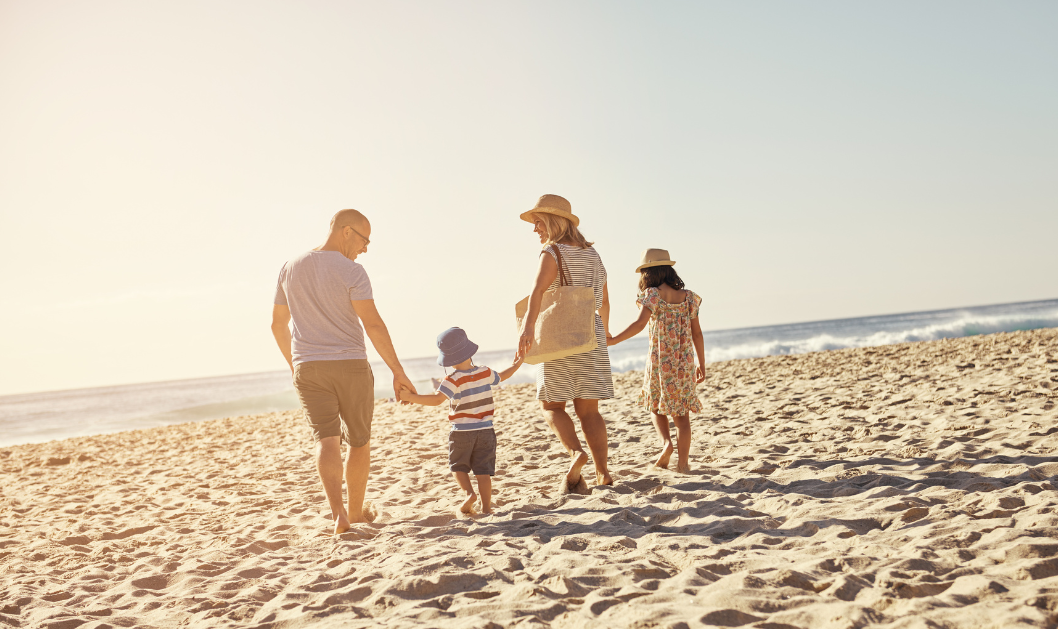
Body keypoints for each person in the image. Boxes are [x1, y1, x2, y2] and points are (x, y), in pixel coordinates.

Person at [271, 209, 417, 535]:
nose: (366, 248)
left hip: (309, 367)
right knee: (359, 443)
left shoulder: (289, 268)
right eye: (365, 240)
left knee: (327, 441)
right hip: (351, 364)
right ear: (347, 231)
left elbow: (277, 325)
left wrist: (295, 364)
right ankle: (356, 513)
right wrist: (398, 371)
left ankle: (339, 516)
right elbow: (374, 324)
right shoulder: (353, 271)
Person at [516, 194, 615, 489]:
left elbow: (537, 292)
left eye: (538, 223)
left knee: (551, 406)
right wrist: (604, 333)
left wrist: (527, 328)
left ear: (553, 221)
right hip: (591, 333)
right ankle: (603, 473)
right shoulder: (593, 255)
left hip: (560, 336)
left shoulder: (552, 252)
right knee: (590, 410)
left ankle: (575, 453)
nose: (535, 230)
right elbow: (605, 301)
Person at [397, 328, 524, 515]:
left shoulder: (452, 379)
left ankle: (469, 494)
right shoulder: (485, 372)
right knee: (483, 472)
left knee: (457, 467)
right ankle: (487, 508)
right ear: (469, 352)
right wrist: (518, 363)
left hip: (461, 432)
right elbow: (504, 376)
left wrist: (411, 397)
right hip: (486, 431)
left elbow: (436, 400)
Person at [608, 248, 706, 473]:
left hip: (660, 362)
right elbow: (697, 334)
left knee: (655, 406)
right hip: (684, 362)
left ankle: (666, 444)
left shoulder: (652, 294)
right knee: (682, 417)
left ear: (648, 273)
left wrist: (614, 341)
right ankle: (683, 465)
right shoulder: (689, 297)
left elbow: (639, 324)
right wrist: (701, 363)